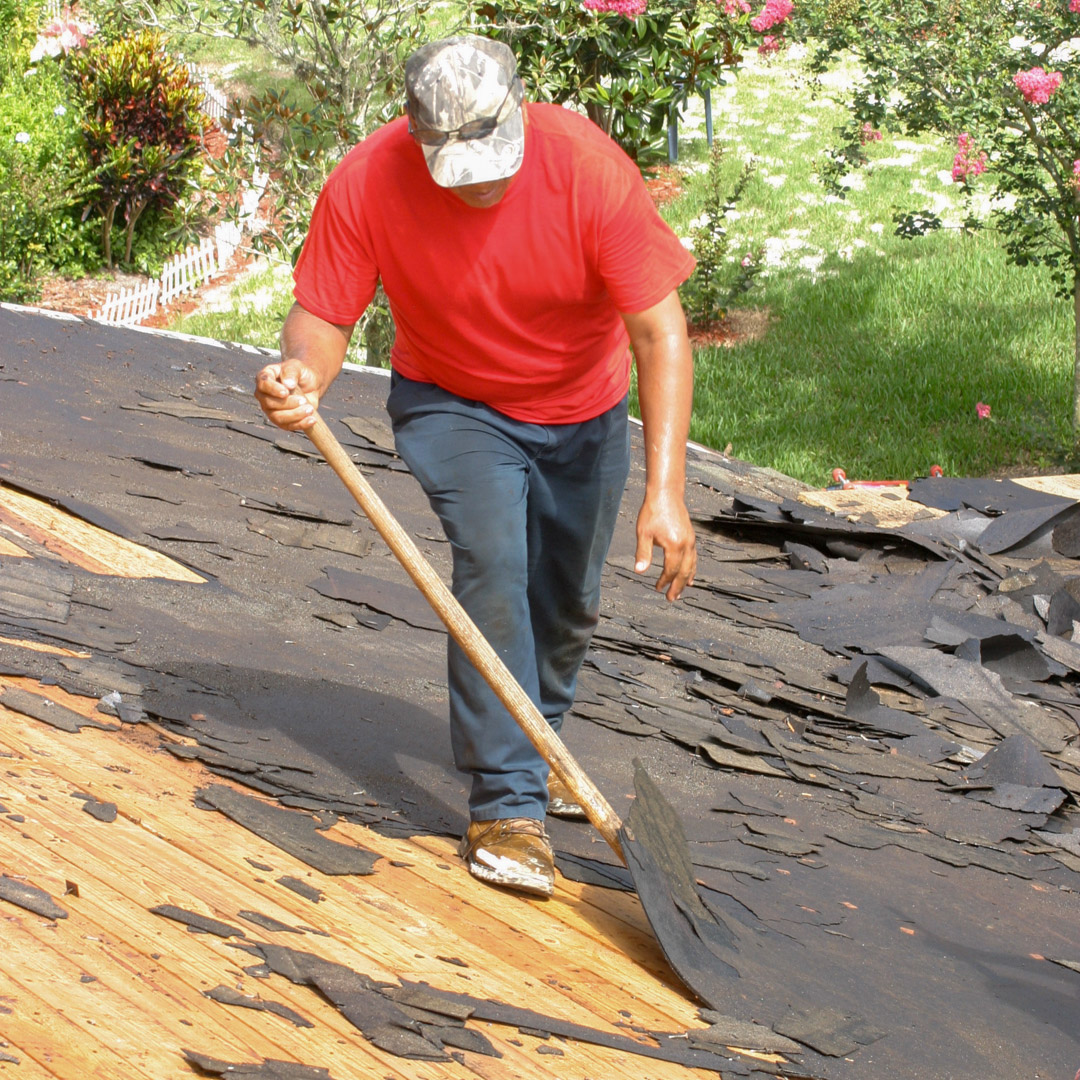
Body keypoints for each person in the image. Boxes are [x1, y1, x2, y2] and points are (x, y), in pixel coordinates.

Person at [255, 33, 697, 899]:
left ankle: (541, 742)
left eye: (492, 162)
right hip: (453, 402)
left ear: (520, 113)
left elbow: (659, 332)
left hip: (584, 408)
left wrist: (667, 491)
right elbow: (324, 315)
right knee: (492, 570)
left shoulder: (586, 168)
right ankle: (507, 806)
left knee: (567, 601)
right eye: (453, 167)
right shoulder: (369, 179)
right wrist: (301, 372)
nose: (478, 185)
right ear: (415, 133)